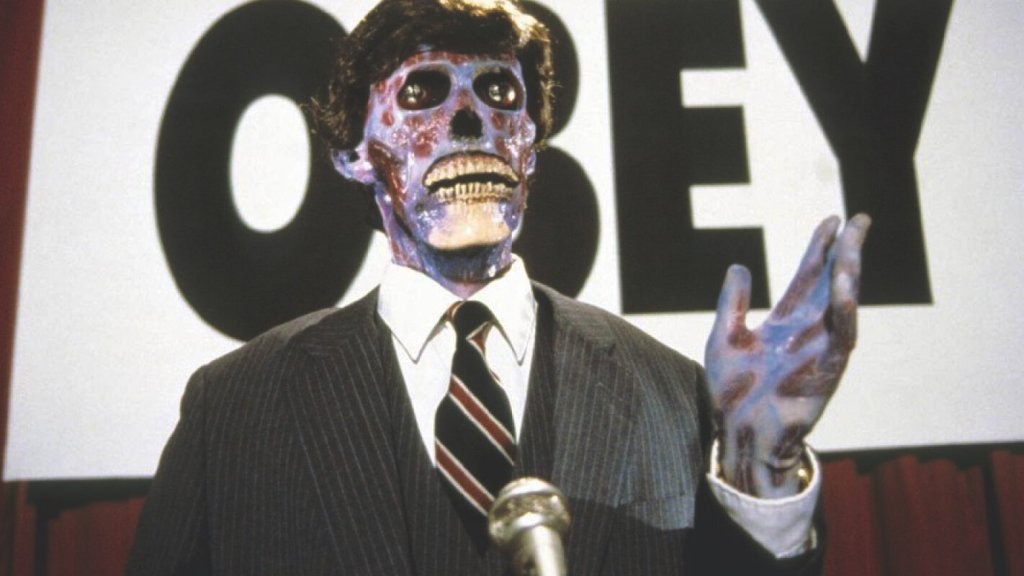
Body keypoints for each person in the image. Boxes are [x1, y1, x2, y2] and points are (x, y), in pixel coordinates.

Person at [127, 0, 870, 573]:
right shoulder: (233, 410)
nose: (469, 121)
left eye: (498, 93)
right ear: (354, 154)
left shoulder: (673, 396)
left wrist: (759, 466)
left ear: (530, 149)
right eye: (423, 92)